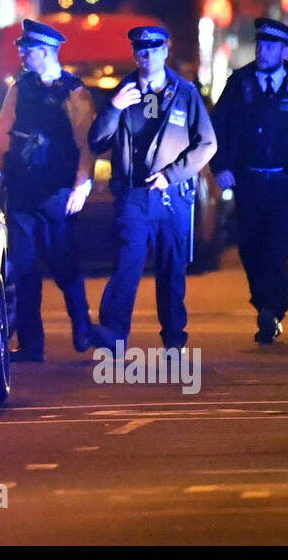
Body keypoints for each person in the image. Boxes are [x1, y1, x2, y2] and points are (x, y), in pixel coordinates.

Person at [87, 26, 216, 351]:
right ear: (135, 54)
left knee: (172, 269)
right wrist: (113, 108)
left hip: (173, 197)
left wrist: (171, 175)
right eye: (141, 49)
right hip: (134, 196)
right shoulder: (123, 92)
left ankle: (174, 338)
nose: (147, 54)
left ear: (165, 50)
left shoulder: (184, 93)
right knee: (127, 264)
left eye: (154, 48)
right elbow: (97, 141)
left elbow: (207, 144)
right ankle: (115, 335)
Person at [210, 17, 288, 344]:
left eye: (270, 47)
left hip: (285, 186)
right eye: (260, 45)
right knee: (250, 248)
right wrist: (221, 166)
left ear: (284, 50)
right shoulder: (240, 83)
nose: (263, 52)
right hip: (248, 183)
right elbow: (216, 128)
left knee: (277, 249)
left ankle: (272, 310)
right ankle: (265, 304)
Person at [0, 19, 96, 361]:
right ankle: (31, 344)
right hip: (22, 190)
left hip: (57, 191)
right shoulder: (19, 88)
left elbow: (85, 143)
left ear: (47, 52)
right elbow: (3, 135)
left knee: (63, 262)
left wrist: (82, 184)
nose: (21, 53)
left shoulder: (73, 91)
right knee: (24, 268)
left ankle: (81, 326)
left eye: (28, 49)